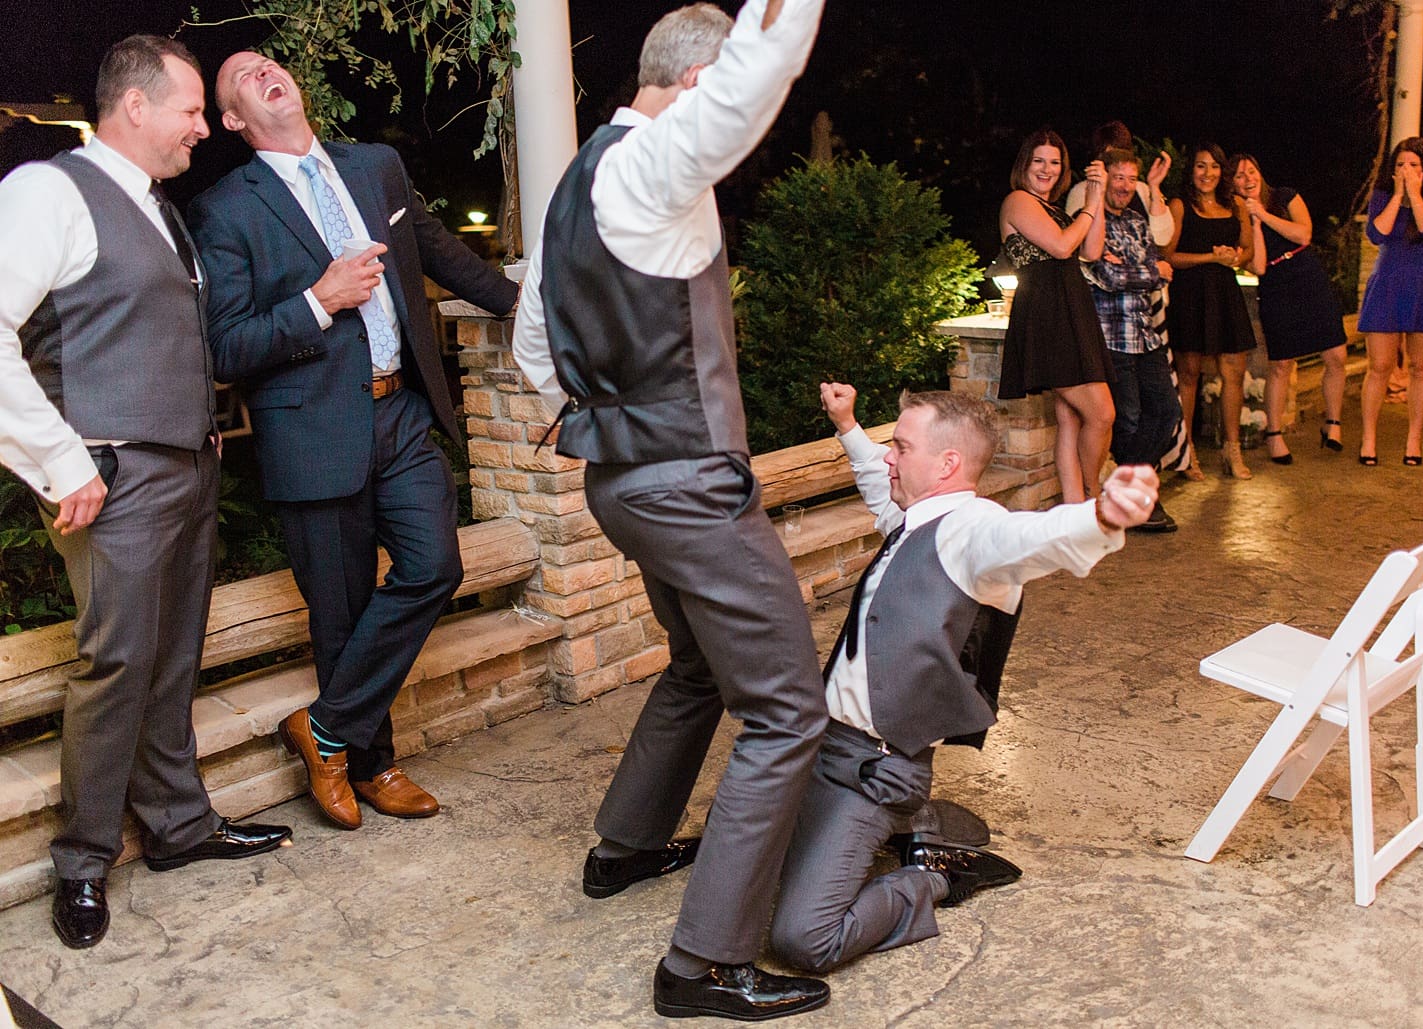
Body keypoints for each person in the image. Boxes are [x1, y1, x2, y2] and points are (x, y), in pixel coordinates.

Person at [512, 1, 832, 1020]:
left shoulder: (576, 181)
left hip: (621, 482)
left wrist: (589, 414)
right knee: (786, 708)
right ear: (691, 84)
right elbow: (747, 87)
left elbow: (532, 340)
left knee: (697, 666)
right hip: (686, 483)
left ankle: (627, 846)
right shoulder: (647, 166)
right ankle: (702, 965)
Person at [0, 35, 291, 950]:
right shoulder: (47, 191)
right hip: (113, 474)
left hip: (187, 465)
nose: (203, 129)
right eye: (192, 110)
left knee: (170, 659)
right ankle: (83, 861)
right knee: (115, 664)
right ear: (134, 106)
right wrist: (62, 461)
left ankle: (177, 827)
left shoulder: (157, 207)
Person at [188, 52, 520, 831]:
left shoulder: (374, 166)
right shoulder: (224, 209)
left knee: (435, 566)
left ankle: (324, 728)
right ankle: (370, 764)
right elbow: (225, 347)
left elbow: (436, 251)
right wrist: (317, 300)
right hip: (310, 430)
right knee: (337, 611)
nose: (263, 70)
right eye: (240, 76)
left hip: (399, 409)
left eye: (268, 61)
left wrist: (526, 306)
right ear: (233, 120)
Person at [769, 383, 1157, 973]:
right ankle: (915, 826)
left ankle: (931, 877)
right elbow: (881, 487)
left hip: (876, 765)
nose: (888, 456)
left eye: (899, 445)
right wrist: (847, 425)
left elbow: (1027, 539)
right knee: (755, 856)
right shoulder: (913, 518)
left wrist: (1098, 517)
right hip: (822, 741)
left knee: (802, 938)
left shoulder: (974, 530)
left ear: (948, 463)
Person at [996, 129, 1116, 504]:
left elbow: (1092, 250)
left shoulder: (1057, 210)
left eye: (1055, 162)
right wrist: (1091, 206)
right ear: (1025, 165)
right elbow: (1064, 248)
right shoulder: (1018, 200)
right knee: (1102, 414)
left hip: (1071, 310)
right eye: (1039, 161)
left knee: (1070, 419)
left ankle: (1073, 506)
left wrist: (1097, 194)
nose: (1047, 169)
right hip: (1047, 315)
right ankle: (1091, 501)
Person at [1082, 148, 1182, 532]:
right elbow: (1107, 277)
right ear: (1104, 177)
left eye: (1129, 179)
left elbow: (1155, 270)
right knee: (1128, 420)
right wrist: (1151, 270)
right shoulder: (1090, 220)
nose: (1123, 186)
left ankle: (1125, 487)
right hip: (1111, 337)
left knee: (1167, 413)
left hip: (1146, 333)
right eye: (1117, 178)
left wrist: (1144, 269)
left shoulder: (1139, 222)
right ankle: (1139, 499)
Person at [1231, 154, 1349, 464]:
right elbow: (1257, 266)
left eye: (1252, 172)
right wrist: (1253, 219)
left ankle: (1333, 423)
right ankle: (1274, 434)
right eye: (1240, 176)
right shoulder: (1238, 216)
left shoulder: (1285, 197)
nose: (1248, 179)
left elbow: (1304, 234)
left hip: (1308, 274)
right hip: (1276, 285)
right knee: (1281, 363)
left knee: (1336, 354)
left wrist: (1265, 214)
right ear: (1232, 183)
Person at [1355, 137, 1423, 467]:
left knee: (1420, 367)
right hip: (1388, 283)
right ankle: (1369, 439)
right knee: (1380, 366)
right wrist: (1399, 196)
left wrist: (1415, 195)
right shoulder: (1383, 195)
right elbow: (1376, 234)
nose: (1406, 170)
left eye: (1413, 165)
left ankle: (1414, 438)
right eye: (1400, 165)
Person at [1162, 142, 1258, 480]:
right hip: (1190, 292)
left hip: (1225, 292)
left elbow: (1247, 250)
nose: (1208, 173)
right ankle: (1186, 453)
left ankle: (1231, 449)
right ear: (1192, 170)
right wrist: (1209, 258)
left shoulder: (1236, 206)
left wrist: (1235, 258)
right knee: (1188, 372)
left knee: (1234, 369)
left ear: (1223, 171)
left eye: (1214, 166)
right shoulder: (1179, 205)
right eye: (1201, 166)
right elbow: (1168, 256)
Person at [1064, 121, 1174, 247]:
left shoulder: (1140, 189)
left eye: (1121, 155)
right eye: (1110, 157)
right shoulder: (1082, 191)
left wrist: (1154, 187)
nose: (1117, 162)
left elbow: (1162, 239)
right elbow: (1075, 244)